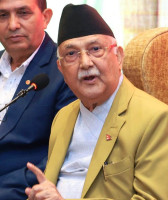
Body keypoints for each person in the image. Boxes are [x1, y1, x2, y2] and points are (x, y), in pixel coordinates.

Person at [25, 4, 168, 200]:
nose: (85, 63)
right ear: (61, 68)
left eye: (95, 49)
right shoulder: (63, 117)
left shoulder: (156, 118)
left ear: (118, 56)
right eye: (71, 54)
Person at [0, 0, 76, 199]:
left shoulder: (66, 70)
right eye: (2, 15)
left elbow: (66, 153)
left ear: (45, 17)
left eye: (23, 13)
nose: (13, 25)